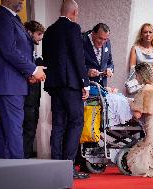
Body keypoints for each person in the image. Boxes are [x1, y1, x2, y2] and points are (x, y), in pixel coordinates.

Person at [0, 0, 46, 159]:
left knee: (6, 129)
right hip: (8, 85)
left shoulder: (13, 18)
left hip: (14, 83)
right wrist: (33, 70)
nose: (21, 1)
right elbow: (9, 51)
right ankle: (19, 169)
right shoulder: (2, 17)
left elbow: (18, 51)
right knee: (13, 128)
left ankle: (3, 168)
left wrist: (29, 74)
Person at [42, 0, 90, 179]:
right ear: (75, 12)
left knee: (59, 125)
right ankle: (68, 168)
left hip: (55, 86)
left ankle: (56, 166)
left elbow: (47, 58)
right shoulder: (73, 28)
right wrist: (85, 83)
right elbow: (78, 57)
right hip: (71, 85)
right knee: (76, 122)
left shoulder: (49, 30)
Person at [22, 20, 45, 159]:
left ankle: (27, 156)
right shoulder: (24, 49)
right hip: (27, 98)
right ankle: (24, 157)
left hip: (34, 98)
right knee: (27, 130)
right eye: (39, 34)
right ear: (29, 32)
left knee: (31, 130)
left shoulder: (31, 50)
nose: (40, 37)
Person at [83, 23, 114, 87]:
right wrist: (87, 71)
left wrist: (110, 69)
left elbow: (109, 61)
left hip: (102, 86)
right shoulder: (81, 41)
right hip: (85, 86)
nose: (102, 42)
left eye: (105, 39)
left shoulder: (107, 42)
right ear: (93, 33)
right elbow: (73, 64)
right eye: (100, 38)